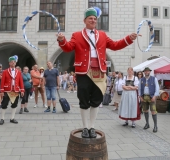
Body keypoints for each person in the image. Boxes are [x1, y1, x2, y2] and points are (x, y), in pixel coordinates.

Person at [57, 7, 137, 138]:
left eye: (95, 19)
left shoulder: (103, 35)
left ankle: (92, 127)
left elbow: (116, 45)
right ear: (85, 20)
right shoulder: (77, 35)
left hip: (99, 71)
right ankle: (85, 127)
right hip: (83, 71)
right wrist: (62, 40)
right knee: (83, 100)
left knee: (96, 100)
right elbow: (68, 48)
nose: (93, 20)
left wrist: (129, 38)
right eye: (90, 18)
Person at [0, 56, 24, 125]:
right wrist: (2, 91)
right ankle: (2, 118)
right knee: (4, 104)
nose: (13, 63)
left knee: (14, 104)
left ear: (16, 63)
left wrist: (22, 90)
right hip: (7, 90)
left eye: (14, 62)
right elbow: (2, 81)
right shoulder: (5, 71)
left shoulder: (18, 72)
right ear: (9, 63)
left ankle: (12, 118)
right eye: (11, 62)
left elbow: (20, 81)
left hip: (15, 90)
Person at [138, 67, 159, 133]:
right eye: (145, 71)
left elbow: (157, 88)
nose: (146, 72)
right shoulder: (141, 80)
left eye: (148, 71)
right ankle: (147, 123)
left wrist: (155, 96)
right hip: (144, 97)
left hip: (151, 97)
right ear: (144, 72)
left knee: (153, 111)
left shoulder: (154, 79)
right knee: (145, 111)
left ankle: (155, 126)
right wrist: (140, 96)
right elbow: (139, 89)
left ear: (149, 72)